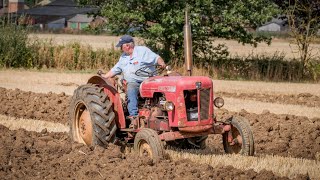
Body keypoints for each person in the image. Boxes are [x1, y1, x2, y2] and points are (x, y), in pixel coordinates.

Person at [102, 35, 166, 127]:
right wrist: (105, 77)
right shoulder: (123, 57)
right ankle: (134, 118)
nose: (120, 48)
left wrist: (162, 63)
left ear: (127, 46)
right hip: (134, 83)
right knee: (131, 88)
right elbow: (115, 70)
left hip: (149, 80)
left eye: (121, 46)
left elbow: (156, 58)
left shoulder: (142, 51)